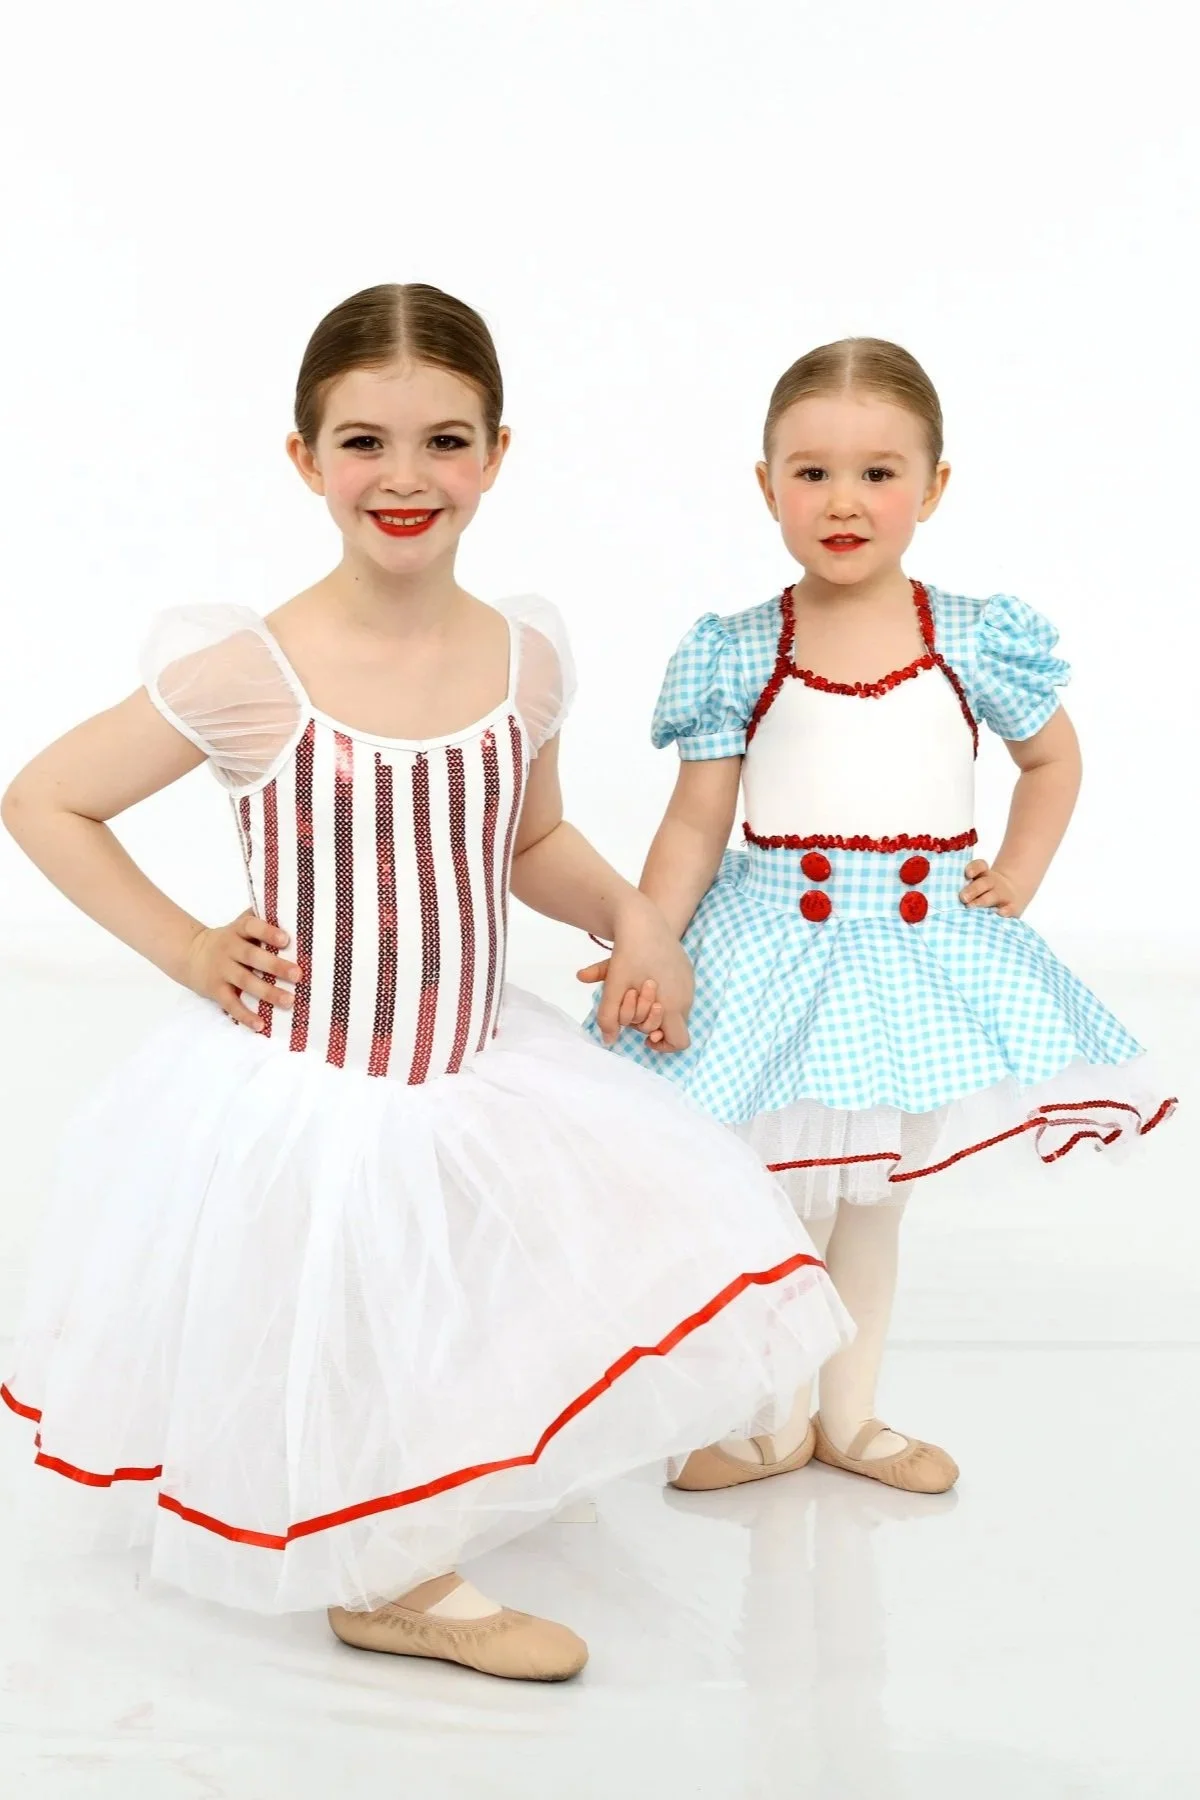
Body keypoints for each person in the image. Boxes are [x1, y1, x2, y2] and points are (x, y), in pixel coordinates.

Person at [0, 285, 851, 1682]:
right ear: (304, 458)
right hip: (319, 1083)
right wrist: (191, 947)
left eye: (445, 442)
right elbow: (44, 800)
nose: (406, 477)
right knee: (346, 1302)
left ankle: (420, 1499)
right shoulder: (251, 670)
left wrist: (637, 918)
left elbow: (526, 841)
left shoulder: (524, 658)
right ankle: (383, 1572)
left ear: (497, 455)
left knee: (464, 1291)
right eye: (364, 443)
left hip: (467, 1063)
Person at [583, 336, 1175, 1497]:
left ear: (933, 486)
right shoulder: (739, 649)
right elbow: (697, 823)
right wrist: (649, 937)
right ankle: (771, 1420)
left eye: (878, 472)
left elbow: (1052, 760)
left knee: (872, 1203)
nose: (843, 501)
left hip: (913, 959)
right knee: (777, 1202)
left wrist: (1018, 872)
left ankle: (850, 1419)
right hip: (775, 952)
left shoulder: (971, 636)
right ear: (767, 485)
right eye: (811, 473)